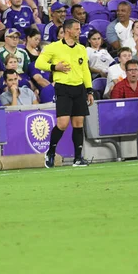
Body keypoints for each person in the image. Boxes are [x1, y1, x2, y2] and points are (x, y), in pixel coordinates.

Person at [35, 18, 94, 168]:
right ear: (68, 30)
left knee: (78, 123)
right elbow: (39, 63)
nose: (79, 31)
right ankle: (51, 152)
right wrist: (55, 67)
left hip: (79, 87)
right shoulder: (53, 47)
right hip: (63, 87)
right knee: (62, 123)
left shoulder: (81, 48)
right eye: (77, 29)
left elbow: (85, 70)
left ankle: (78, 158)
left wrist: (89, 90)